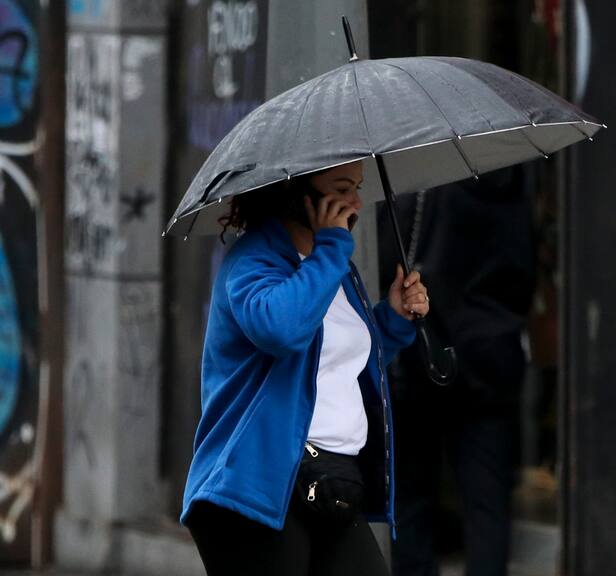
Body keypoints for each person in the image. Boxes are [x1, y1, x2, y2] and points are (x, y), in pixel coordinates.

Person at [181, 160, 430, 576]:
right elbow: (282, 331)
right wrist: (332, 249)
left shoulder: (330, 264)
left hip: (328, 479)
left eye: (358, 187)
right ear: (295, 195)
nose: (355, 201)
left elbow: (332, 366)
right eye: (341, 189)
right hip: (256, 491)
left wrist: (394, 318)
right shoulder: (253, 262)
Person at [378, 167, 535, 576]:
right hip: (491, 354)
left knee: (411, 497)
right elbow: (523, 269)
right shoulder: (509, 176)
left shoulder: (423, 181)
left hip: (423, 353)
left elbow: (389, 259)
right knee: (487, 503)